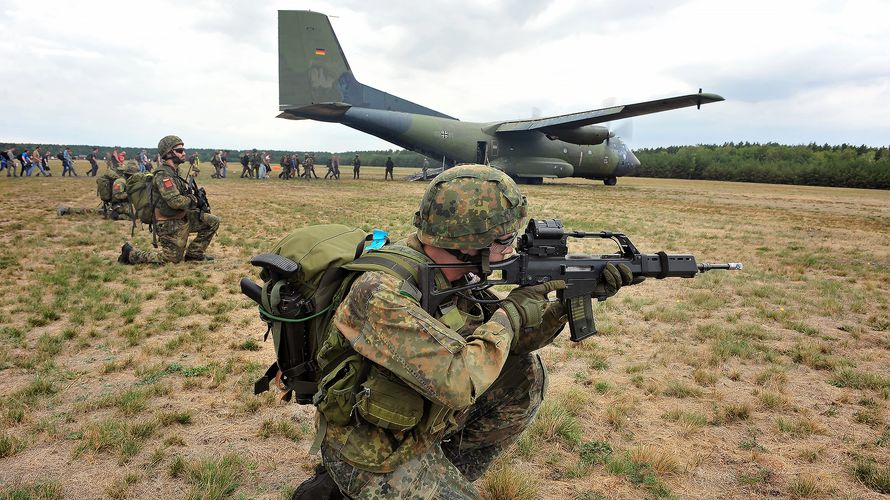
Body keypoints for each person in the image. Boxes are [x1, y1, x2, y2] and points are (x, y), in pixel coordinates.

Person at [291, 165, 639, 499]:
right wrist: (512, 311)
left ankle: (442, 472)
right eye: (506, 239)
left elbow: (512, 342)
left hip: (415, 415)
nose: (511, 249)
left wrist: (566, 302)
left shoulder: (454, 275)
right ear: (470, 241)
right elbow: (458, 383)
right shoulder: (382, 292)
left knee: (524, 374)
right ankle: (343, 484)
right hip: (370, 444)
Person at [120, 135, 220, 265]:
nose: (183, 153)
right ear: (168, 153)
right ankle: (131, 254)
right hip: (169, 224)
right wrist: (192, 200)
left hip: (182, 218)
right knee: (170, 260)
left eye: (183, 150)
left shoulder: (174, 173)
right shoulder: (163, 175)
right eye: (179, 151)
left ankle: (195, 254)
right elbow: (175, 202)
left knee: (213, 221)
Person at [58, 162, 138, 220]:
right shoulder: (120, 181)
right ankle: (66, 210)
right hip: (117, 205)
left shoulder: (126, 180)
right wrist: (130, 194)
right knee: (135, 215)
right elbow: (117, 195)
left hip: (122, 204)